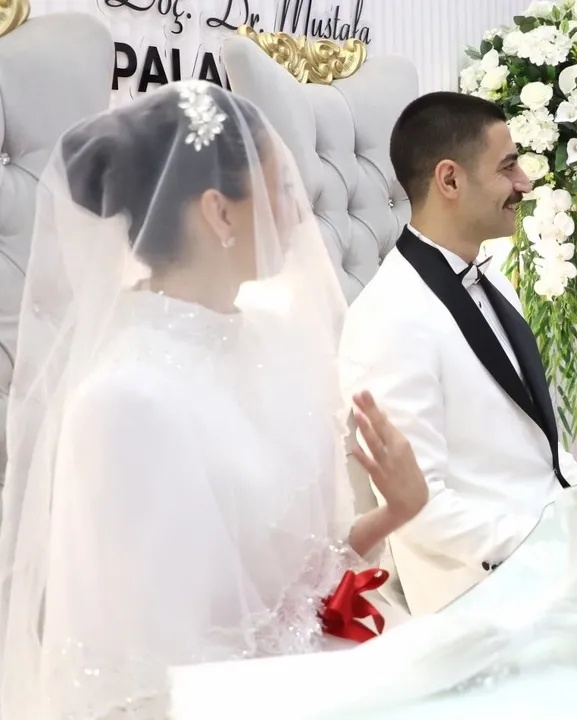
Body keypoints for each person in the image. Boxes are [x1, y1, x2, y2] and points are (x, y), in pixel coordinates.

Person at [0, 82, 427, 718]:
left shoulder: (273, 338)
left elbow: (302, 586)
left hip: (318, 676)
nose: (298, 213)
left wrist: (398, 509)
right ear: (220, 213)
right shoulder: (127, 401)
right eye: (281, 189)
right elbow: (156, 675)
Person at [338, 92, 577, 615]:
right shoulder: (391, 317)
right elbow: (419, 507)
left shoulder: (493, 275)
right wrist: (548, 543)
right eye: (508, 167)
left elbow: (530, 447)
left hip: (553, 538)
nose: (525, 182)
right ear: (450, 180)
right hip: (485, 589)